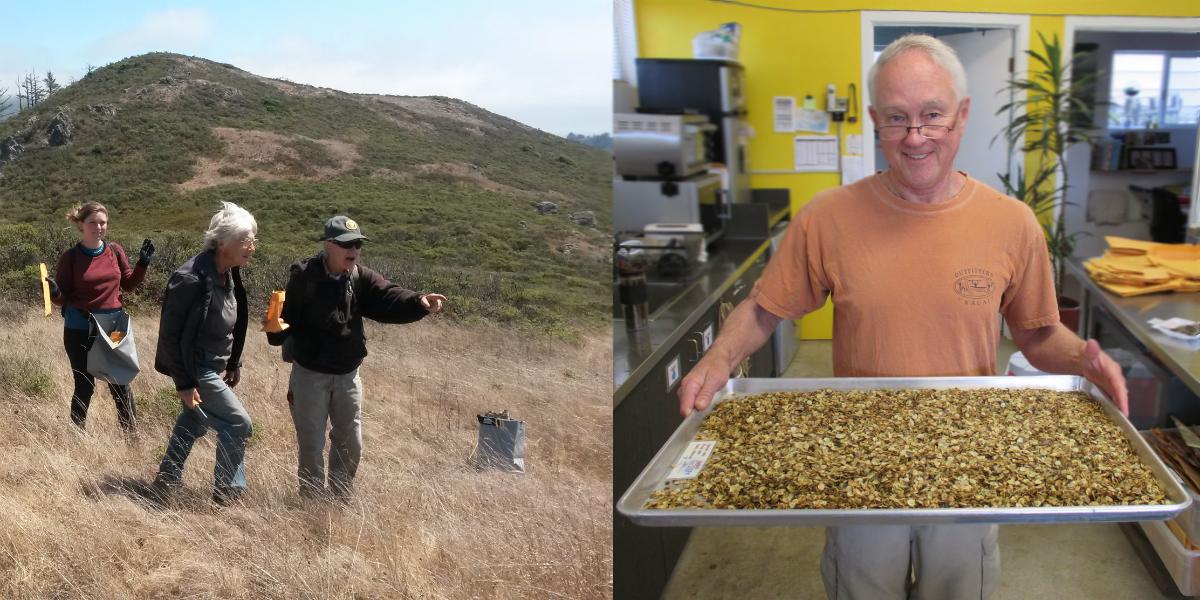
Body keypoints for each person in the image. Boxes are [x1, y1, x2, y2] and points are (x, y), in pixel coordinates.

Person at [677, 34, 1127, 600]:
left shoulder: (1012, 223)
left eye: (932, 115)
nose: (915, 138)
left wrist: (1083, 361)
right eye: (896, 118)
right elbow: (766, 310)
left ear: (961, 115)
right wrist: (719, 357)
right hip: (859, 459)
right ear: (873, 120)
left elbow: (1037, 335)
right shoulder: (828, 218)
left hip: (971, 456)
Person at [267, 215, 446, 500]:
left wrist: (418, 302)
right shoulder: (304, 277)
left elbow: (389, 296)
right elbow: (282, 323)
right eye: (346, 244)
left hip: (348, 375)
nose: (353, 250)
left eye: (358, 244)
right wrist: (275, 326)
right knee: (311, 444)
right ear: (328, 245)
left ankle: (340, 498)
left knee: (350, 442)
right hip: (310, 375)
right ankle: (312, 500)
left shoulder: (360, 277)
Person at [149, 202, 256, 506]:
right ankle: (228, 494)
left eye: (253, 240)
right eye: (245, 240)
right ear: (222, 242)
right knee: (238, 423)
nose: (252, 247)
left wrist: (233, 362)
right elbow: (169, 335)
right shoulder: (191, 278)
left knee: (194, 422)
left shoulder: (228, 272)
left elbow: (234, 321)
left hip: (214, 364)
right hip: (196, 367)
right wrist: (184, 384)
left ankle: (165, 482)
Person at [47, 201, 155, 432]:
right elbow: (61, 299)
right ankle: (77, 436)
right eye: (93, 222)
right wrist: (55, 291)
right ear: (81, 225)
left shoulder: (115, 251)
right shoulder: (71, 258)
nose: (99, 227)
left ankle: (131, 438)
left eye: (103, 222)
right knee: (85, 385)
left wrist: (143, 264)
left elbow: (129, 284)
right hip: (79, 329)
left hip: (114, 327)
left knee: (120, 383)